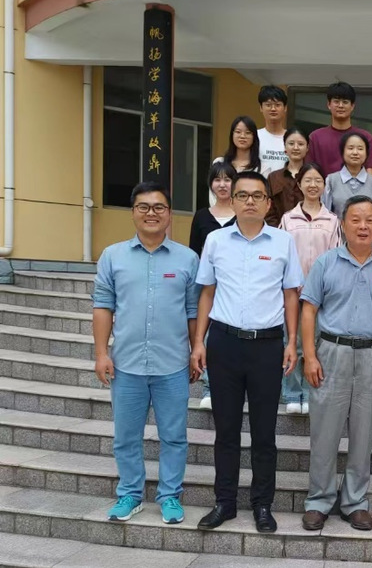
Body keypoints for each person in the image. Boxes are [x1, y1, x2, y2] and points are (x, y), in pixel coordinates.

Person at [191, 171, 303, 534]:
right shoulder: (215, 240)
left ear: (268, 203)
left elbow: (291, 295)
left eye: (257, 195)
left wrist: (291, 342)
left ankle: (262, 505)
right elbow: (207, 293)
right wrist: (198, 342)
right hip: (224, 344)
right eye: (243, 195)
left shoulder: (283, 242)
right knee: (225, 430)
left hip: (267, 346)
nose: (250, 201)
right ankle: (224, 502)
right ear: (232, 200)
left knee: (264, 432)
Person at [93, 181, 200, 526]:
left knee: (174, 437)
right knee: (126, 437)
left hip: (173, 365)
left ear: (169, 214)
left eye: (158, 207)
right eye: (143, 207)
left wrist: (196, 349)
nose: (151, 213)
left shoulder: (187, 259)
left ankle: (170, 496)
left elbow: (193, 311)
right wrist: (101, 353)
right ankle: (130, 493)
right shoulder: (112, 256)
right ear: (133, 213)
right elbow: (103, 306)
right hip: (126, 365)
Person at [300, 196, 372, 532]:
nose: (363, 226)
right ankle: (319, 501)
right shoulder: (326, 263)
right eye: (355, 219)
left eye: (370, 219)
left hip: (371, 356)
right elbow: (309, 310)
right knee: (324, 433)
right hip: (331, 353)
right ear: (342, 224)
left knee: (363, 435)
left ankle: (355, 502)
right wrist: (310, 356)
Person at [280, 162, 342, 414]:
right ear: (299, 184)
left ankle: (311, 392)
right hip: (292, 292)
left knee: (315, 344)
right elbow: (282, 255)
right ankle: (292, 393)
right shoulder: (288, 218)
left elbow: (336, 256)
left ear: (324, 185)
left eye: (318, 180)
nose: (313, 185)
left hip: (320, 295)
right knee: (292, 341)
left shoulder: (332, 220)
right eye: (308, 180)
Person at [189, 161, 238, 410]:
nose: (222, 184)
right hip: (208, 286)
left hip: (235, 285)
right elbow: (193, 253)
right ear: (211, 184)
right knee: (207, 335)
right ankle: (209, 387)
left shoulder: (242, 216)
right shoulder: (201, 216)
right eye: (217, 180)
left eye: (227, 179)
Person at [307, 82, 372, 177]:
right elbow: (309, 172)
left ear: (352, 106)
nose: (340, 105)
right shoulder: (315, 137)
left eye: (345, 102)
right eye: (336, 101)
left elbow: (370, 173)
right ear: (329, 104)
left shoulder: (366, 138)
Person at [322, 131, 372, 218]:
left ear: (367, 154)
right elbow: (325, 213)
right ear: (342, 152)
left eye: (360, 149)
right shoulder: (331, 180)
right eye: (350, 148)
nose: (355, 152)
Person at [266, 127, 309, 227]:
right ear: (285, 147)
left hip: (307, 232)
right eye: (291, 143)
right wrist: (279, 231)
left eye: (300, 144)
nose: (296, 148)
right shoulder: (274, 177)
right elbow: (268, 210)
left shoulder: (313, 177)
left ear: (307, 148)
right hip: (278, 232)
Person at [257, 85, 289, 176]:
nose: (273, 109)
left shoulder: (292, 138)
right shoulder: (254, 136)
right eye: (268, 105)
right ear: (261, 108)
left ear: (285, 108)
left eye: (277, 105)